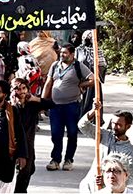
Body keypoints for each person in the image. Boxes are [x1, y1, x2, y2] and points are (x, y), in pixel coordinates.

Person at [42, 43, 95, 171]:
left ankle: (68, 160)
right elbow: (48, 83)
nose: (62, 55)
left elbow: (93, 79)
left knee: (72, 133)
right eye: (61, 52)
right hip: (55, 106)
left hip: (71, 106)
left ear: (72, 54)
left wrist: (81, 85)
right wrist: (42, 102)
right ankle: (55, 160)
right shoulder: (55, 65)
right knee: (56, 134)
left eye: (65, 53)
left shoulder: (78, 66)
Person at [78, 104, 133, 193]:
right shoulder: (105, 135)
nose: (114, 127)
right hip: (89, 187)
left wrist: (107, 182)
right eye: (113, 123)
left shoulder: (129, 152)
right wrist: (93, 111)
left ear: (128, 126)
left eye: (118, 125)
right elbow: (82, 126)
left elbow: (128, 177)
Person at [10, 77, 53, 192]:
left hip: (28, 147)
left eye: (24, 88)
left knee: (26, 175)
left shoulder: (32, 105)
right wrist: (13, 105)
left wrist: (36, 99)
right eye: (17, 89)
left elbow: (52, 104)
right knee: (15, 179)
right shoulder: (9, 107)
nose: (21, 91)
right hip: (14, 148)